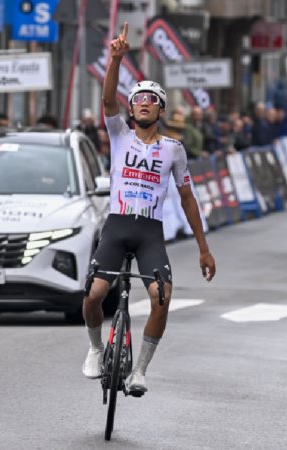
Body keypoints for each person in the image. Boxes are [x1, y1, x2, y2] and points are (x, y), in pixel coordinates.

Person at [81, 22, 216, 395]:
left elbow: (187, 197)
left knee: (162, 297)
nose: (143, 102)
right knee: (93, 295)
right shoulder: (119, 134)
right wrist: (115, 59)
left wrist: (204, 248)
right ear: (131, 107)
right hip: (118, 225)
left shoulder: (173, 148)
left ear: (160, 109)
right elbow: (108, 99)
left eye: (151, 99)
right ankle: (94, 349)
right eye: (138, 98)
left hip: (149, 231)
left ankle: (139, 370)